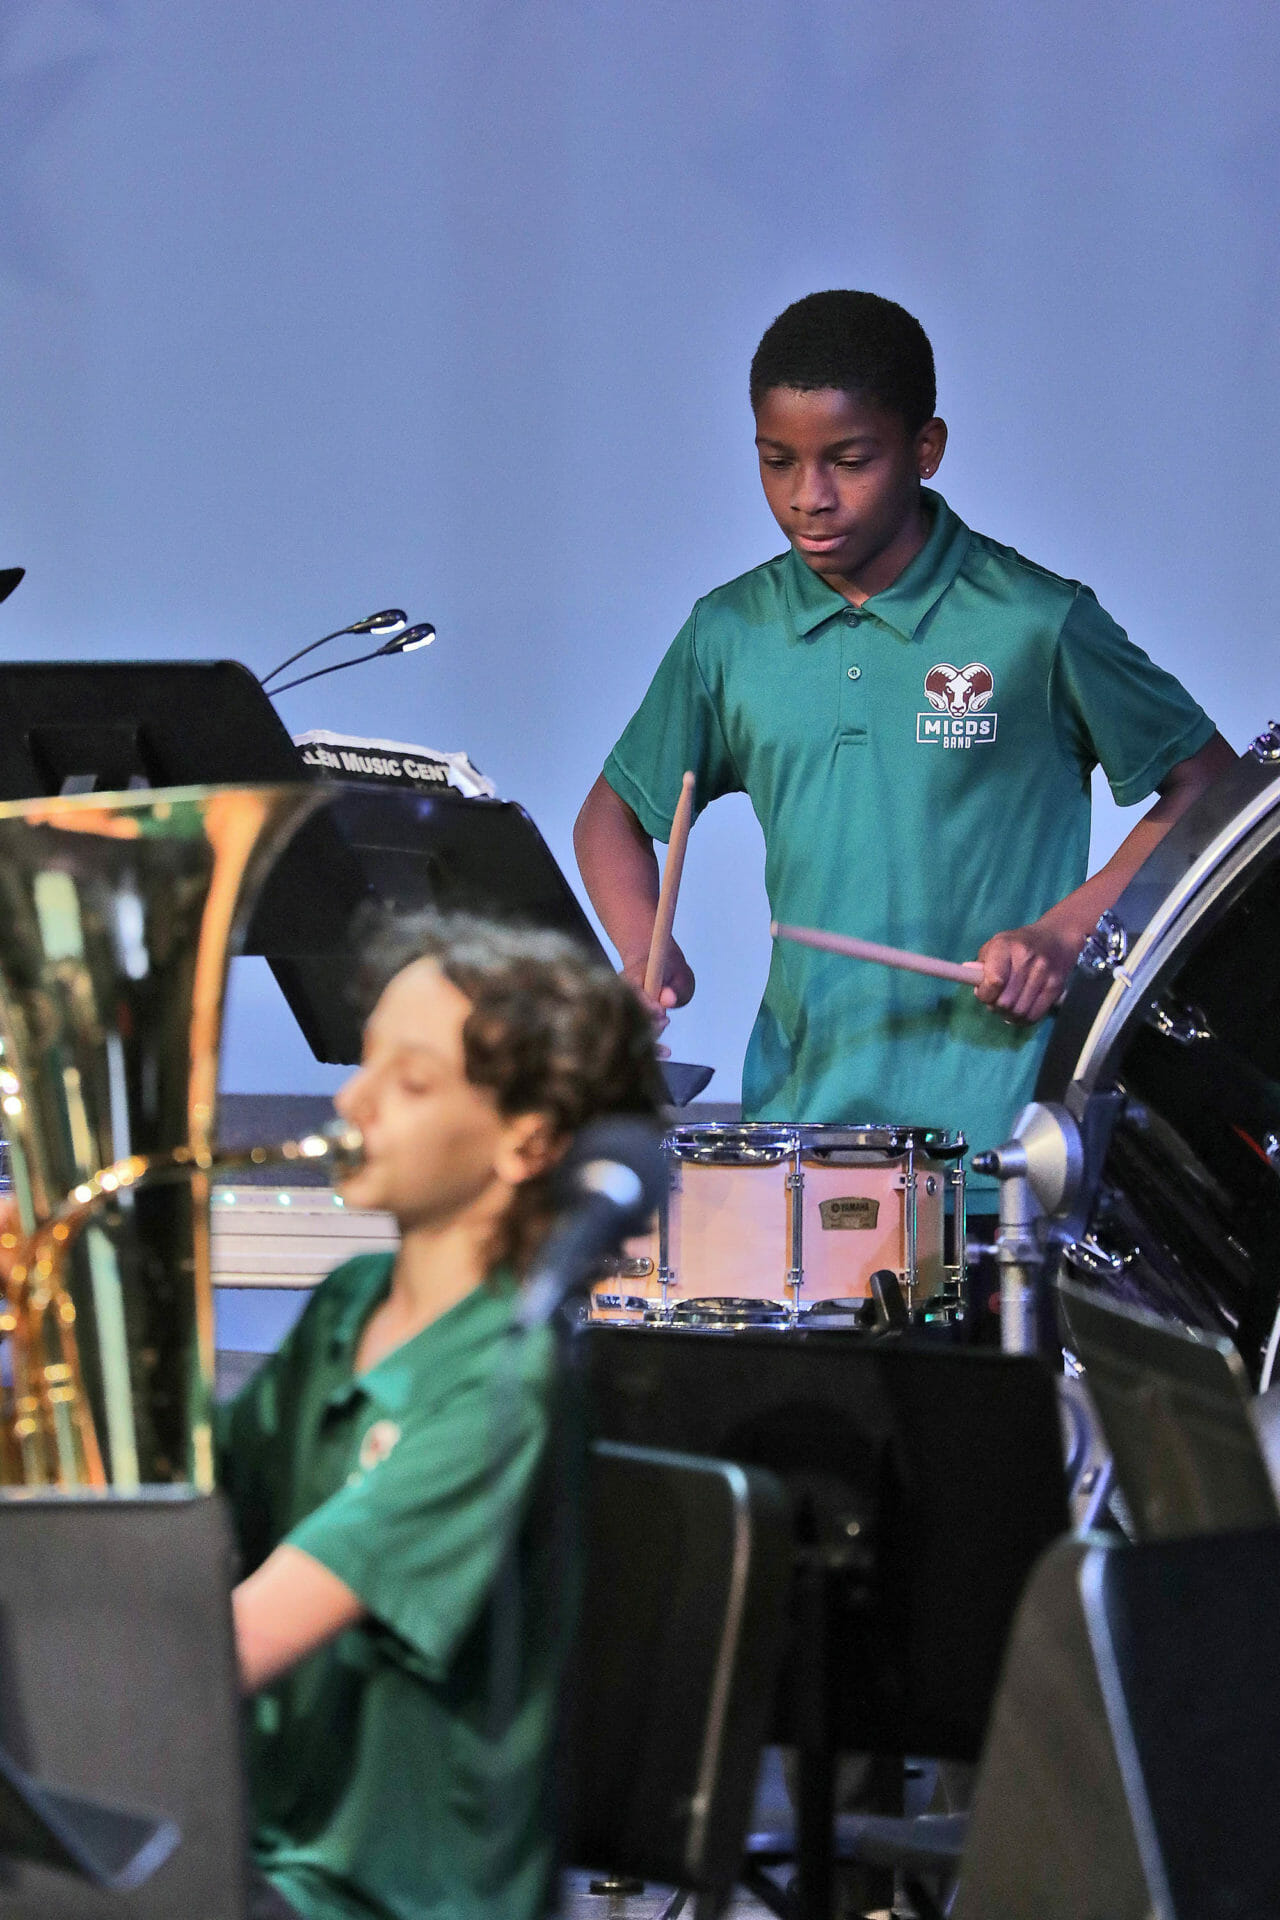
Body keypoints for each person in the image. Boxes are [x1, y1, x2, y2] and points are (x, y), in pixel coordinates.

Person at [574, 289, 1235, 1180]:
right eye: (777, 462)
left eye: (849, 461)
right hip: (800, 1139)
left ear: (926, 450)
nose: (809, 498)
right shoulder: (729, 634)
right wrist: (642, 948)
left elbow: (1209, 784)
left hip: (1003, 1147)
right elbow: (611, 814)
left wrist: (1065, 933)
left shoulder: (1035, 622)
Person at [218, 915, 664, 1920]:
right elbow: (179, 1516)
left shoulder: (506, 1382)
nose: (352, 1100)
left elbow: (226, 1647)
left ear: (527, 1140)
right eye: (365, 1061)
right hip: (264, 1851)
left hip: (381, 1900)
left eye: (410, 1081)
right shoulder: (348, 1305)